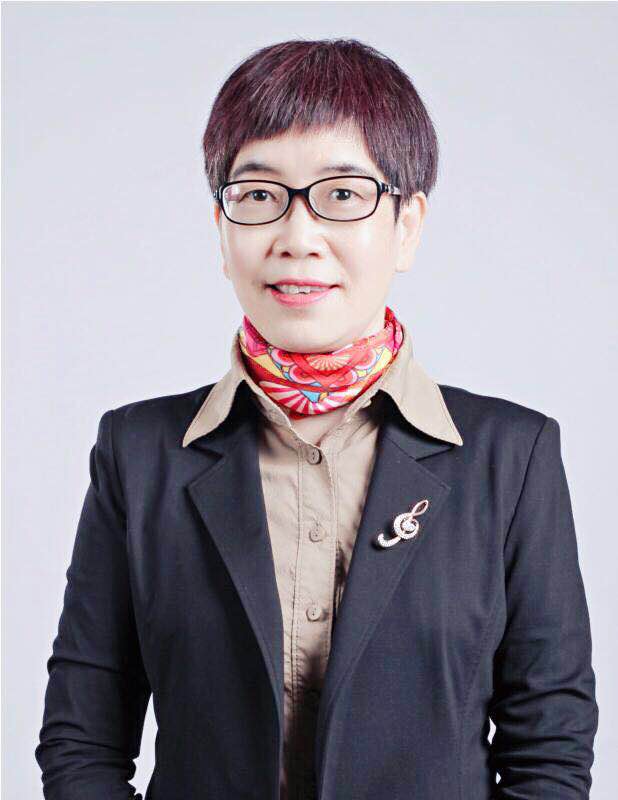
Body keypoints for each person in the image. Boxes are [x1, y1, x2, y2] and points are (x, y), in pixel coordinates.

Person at [35, 37, 598, 800]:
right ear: (221, 227)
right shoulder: (138, 454)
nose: (298, 238)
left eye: (342, 194)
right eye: (258, 195)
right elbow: (82, 741)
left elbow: (549, 751)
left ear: (407, 225)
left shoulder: (511, 456)